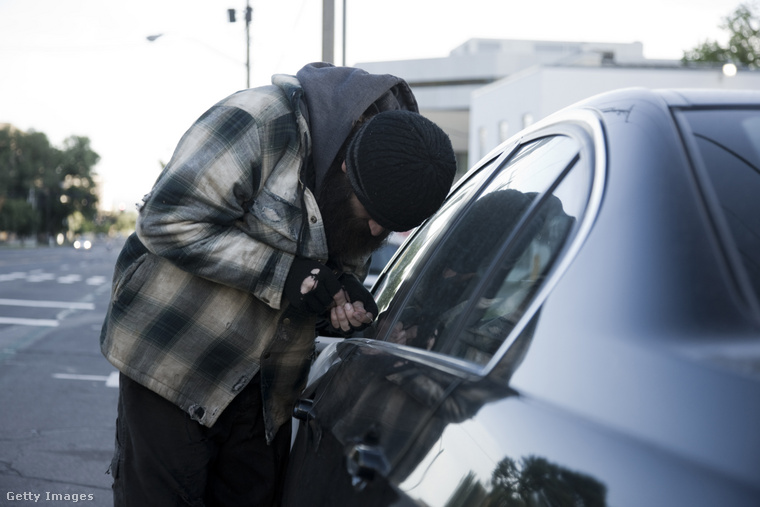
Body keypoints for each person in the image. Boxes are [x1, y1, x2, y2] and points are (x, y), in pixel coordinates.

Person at [99, 62, 457, 506]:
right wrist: (287, 275)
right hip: (175, 364)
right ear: (347, 166)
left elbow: (319, 282)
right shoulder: (257, 121)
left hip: (267, 393)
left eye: (389, 228)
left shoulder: (384, 178)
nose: (376, 231)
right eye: (371, 215)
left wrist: (339, 305)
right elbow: (167, 219)